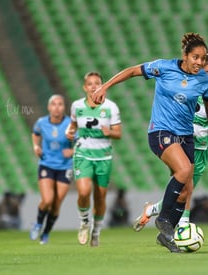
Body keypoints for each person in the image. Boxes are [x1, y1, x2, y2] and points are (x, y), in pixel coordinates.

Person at [92, 33, 208, 253]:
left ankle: (165, 236)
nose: (199, 62)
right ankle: (163, 219)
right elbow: (131, 71)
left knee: (187, 191)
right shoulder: (164, 68)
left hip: (186, 136)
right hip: (161, 131)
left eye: (202, 59)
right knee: (184, 170)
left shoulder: (204, 81)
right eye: (195, 57)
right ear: (185, 55)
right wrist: (104, 87)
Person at [132, 54, 208, 231]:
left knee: (184, 191)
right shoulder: (188, 87)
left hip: (202, 148)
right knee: (188, 186)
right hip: (182, 141)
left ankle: (152, 209)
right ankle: (183, 226)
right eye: (207, 73)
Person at [66, 71, 122, 247]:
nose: (93, 86)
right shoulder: (76, 106)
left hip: (104, 155)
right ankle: (84, 221)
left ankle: (96, 231)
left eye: (97, 83)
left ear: (102, 86)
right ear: (85, 87)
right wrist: (70, 131)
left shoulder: (111, 107)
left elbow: (118, 133)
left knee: (100, 197)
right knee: (83, 192)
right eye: (90, 84)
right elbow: (73, 125)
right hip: (83, 153)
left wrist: (110, 132)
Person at [30, 95, 73, 244]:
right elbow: (35, 134)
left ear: (64, 107)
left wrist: (72, 151)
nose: (57, 107)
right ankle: (38, 223)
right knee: (47, 200)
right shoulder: (41, 123)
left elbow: (81, 141)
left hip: (64, 166)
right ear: (49, 107)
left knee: (56, 204)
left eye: (60, 104)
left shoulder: (70, 124)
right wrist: (36, 146)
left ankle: (46, 233)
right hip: (47, 164)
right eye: (53, 104)